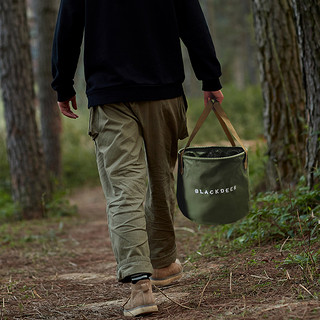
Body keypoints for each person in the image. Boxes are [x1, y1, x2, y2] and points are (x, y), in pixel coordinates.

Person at [52, 0, 223, 317]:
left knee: (123, 189)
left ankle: (141, 284)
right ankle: (161, 263)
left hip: (111, 95)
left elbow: (68, 26)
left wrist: (62, 84)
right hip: (164, 91)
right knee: (161, 180)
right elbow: (192, 19)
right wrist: (210, 77)